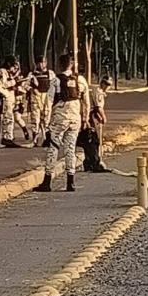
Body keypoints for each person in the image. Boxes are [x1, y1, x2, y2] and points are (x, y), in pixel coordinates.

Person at [34, 54, 90, 192]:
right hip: (75, 119)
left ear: (59, 65)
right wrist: (85, 119)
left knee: (53, 148)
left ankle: (47, 181)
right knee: (70, 149)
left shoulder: (56, 81)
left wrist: (46, 122)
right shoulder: (80, 80)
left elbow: (48, 102)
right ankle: (70, 181)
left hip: (59, 119)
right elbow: (86, 102)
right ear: (71, 65)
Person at [83, 76, 113, 172]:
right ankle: (96, 162)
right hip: (94, 117)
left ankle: (89, 162)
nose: (108, 87)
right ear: (103, 84)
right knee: (96, 140)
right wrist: (103, 117)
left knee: (90, 140)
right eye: (107, 84)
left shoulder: (97, 90)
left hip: (91, 116)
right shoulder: (99, 92)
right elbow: (98, 107)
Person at [0, 56, 22, 148]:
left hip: (10, 99)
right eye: (14, 66)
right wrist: (14, 82)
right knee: (8, 118)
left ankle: (8, 136)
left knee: (9, 118)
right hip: (5, 99)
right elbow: (2, 85)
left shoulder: (8, 73)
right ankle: (7, 137)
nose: (14, 69)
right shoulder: (2, 72)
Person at [29, 55, 55, 147]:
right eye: (39, 62)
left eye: (43, 62)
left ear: (46, 63)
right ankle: (35, 139)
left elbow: (54, 85)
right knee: (35, 118)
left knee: (47, 118)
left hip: (47, 97)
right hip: (36, 97)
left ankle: (47, 138)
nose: (41, 64)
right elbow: (26, 85)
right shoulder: (32, 74)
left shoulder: (50, 73)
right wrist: (32, 86)